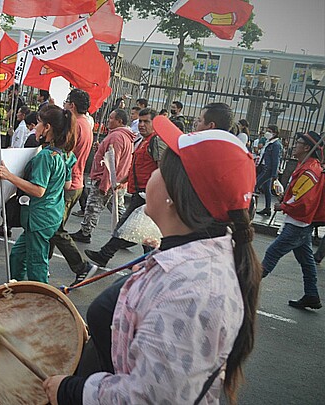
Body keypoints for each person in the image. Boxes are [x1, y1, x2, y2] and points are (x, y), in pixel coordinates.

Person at [44, 116, 260, 405]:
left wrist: (71, 391)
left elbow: (149, 398)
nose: (152, 176)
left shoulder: (192, 292)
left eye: (161, 170)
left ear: (175, 194)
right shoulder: (182, 260)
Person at [0, 105, 77, 283]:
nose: (35, 126)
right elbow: (68, 184)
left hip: (39, 217)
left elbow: (38, 190)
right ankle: (18, 289)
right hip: (52, 214)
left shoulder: (46, 157)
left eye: (39, 122)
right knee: (17, 255)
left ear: (47, 128)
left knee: (36, 263)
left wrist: (9, 176)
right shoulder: (65, 154)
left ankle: (41, 299)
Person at [85, 108, 166, 267]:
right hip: (139, 191)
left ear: (154, 123)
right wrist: (123, 181)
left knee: (131, 227)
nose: (142, 125)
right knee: (133, 228)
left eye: (146, 122)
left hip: (146, 194)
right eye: (140, 121)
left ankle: (108, 255)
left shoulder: (155, 141)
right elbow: (137, 166)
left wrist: (155, 193)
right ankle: (147, 262)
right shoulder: (143, 141)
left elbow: (161, 170)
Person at [261, 131, 323, 310]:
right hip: (301, 223)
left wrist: (284, 206)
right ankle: (312, 295)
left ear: (306, 147)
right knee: (307, 261)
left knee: (272, 253)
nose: (294, 145)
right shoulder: (307, 166)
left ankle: (245, 286)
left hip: (298, 223)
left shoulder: (310, 169)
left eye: (298, 143)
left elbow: (303, 200)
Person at [70, 109, 135, 244]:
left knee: (93, 207)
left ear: (119, 121)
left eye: (111, 118)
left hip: (108, 180)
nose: (108, 120)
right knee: (117, 209)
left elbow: (112, 163)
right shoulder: (124, 136)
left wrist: (104, 185)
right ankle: (128, 232)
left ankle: (86, 232)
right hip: (118, 181)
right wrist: (100, 149)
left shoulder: (117, 137)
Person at [51, 89, 95, 285]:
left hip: (68, 183)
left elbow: (65, 151)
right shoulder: (86, 124)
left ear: (73, 106)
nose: (65, 104)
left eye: (67, 101)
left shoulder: (75, 126)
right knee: (51, 228)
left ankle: (81, 266)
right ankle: (43, 263)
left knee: (54, 228)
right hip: (76, 182)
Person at [0, 111, 40, 238]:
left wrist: (10, 176)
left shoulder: (42, 152)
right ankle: (6, 226)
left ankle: (10, 225)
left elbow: (39, 190)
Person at [253, 124, 283, 217]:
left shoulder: (276, 144)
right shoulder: (269, 142)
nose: (267, 133)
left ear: (275, 133)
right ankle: (267, 208)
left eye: (270, 131)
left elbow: (275, 160)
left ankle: (250, 206)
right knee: (266, 189)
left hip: (268, 169)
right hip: (263, 167)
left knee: (255, 185)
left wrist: (274, 173)